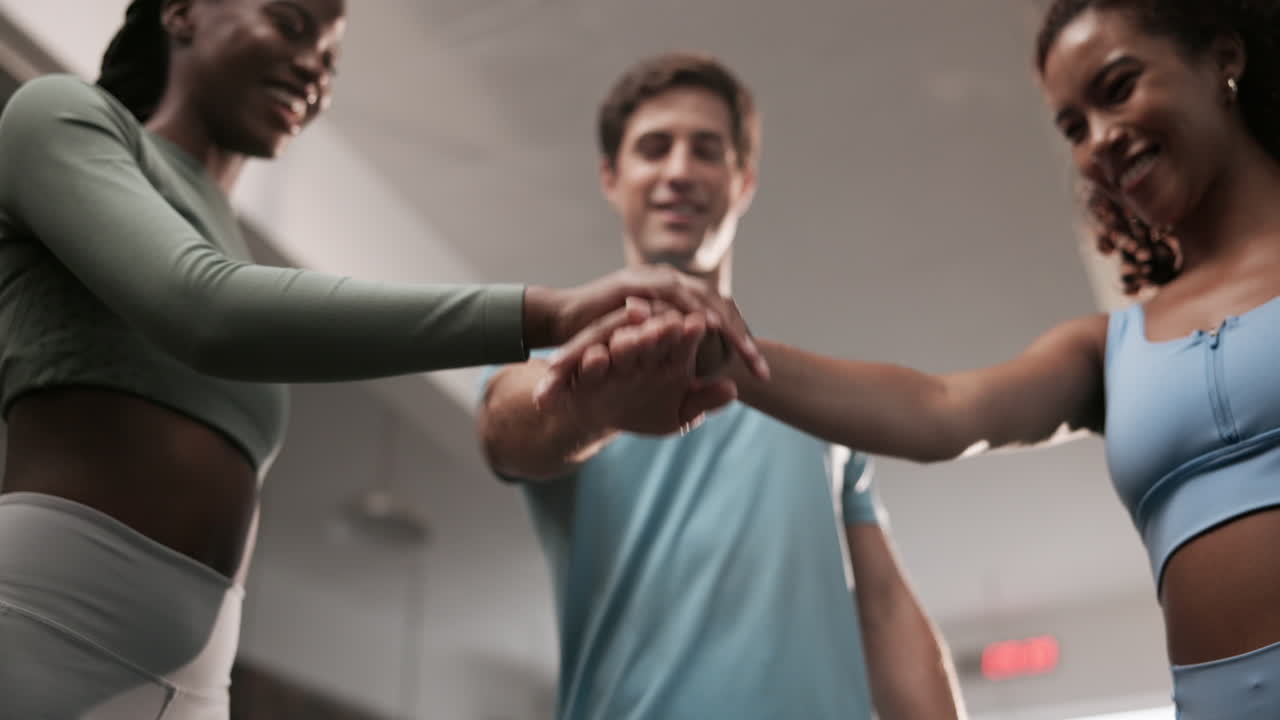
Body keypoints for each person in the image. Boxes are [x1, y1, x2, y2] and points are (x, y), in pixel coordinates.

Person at [0, 2, 764, 717]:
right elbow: (206, 310)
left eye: (329, 54)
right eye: (293, 22)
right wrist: (545, 312)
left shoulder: (228, 238)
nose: (313, 68)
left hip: (198, 677)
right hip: (43, 624)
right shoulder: (63, 118)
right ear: (182, 10)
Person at [547, 2, 1280, 717]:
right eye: (1072, 127)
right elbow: (941, 410)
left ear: (1223, 57)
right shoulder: (1108, 347)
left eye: (1117, 88)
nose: (1098, 142)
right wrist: (722, 357)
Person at [478, 52, 965, 720]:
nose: (679, 170)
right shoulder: (565, 364)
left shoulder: (805, 396)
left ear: (743, 184)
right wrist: (594, 407)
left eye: (706, 151)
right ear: (611, 178)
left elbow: (882, 609)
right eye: (654, 149)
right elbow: (504, 431)